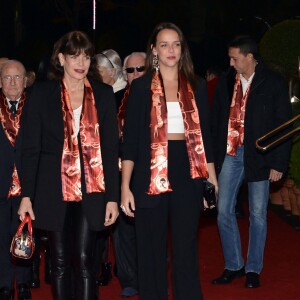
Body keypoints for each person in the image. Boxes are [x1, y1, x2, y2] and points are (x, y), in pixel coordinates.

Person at [18, 31, 119, 300]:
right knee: (59, 261)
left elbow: (110, 150)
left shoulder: (104, 94)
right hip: (52, 188)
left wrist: (113, 198)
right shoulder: (41, 94)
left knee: (86, 259)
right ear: (61, 58)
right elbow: (30, 149)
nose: (81, 62)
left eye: (86, 56)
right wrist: (26, 195)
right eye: (74, 55)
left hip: (92, 187)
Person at [121, 22, 217, 300]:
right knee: (151, 248)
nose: (171, 50)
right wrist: (125, 186)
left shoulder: (196, 85)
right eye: (164, 44)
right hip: (149, 171)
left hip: (188, 170)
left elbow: (205, 139)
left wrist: (212, 181)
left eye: (176, 44)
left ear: (182, 48)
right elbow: (130, 144)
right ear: (154, 50)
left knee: (186, 247)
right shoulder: (140, 88)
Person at [211, 36, 292, 288]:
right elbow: (216, 121)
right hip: (231, 153)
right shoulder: (226, 81)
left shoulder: (274, 83)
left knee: (258, 214)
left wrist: (278, 164)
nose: (231, 62)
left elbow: (283, 127)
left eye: (235, 58)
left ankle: (253, 269)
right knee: (223, 210)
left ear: (249, 57)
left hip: (260, 156)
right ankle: (234, 264)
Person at [114, 51, 146, 298]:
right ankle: (129, 278)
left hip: (150, 172)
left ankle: (150, 276)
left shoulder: (158, 97)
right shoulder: (113, 99)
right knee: (123, 228)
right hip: (119, 170)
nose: (135, 74)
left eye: (140, 69)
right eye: (130, 70)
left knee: (150, 227)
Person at [0, 60, 31, 300]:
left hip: (28, 183)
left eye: (17, 77)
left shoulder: (35, 107)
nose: (12, 82)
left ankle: (23, 283)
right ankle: (4, 285)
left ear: (25, 80)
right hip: (1, 180)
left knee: (24, 235)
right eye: (7, 78)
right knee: (1, 235)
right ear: (0, 82)